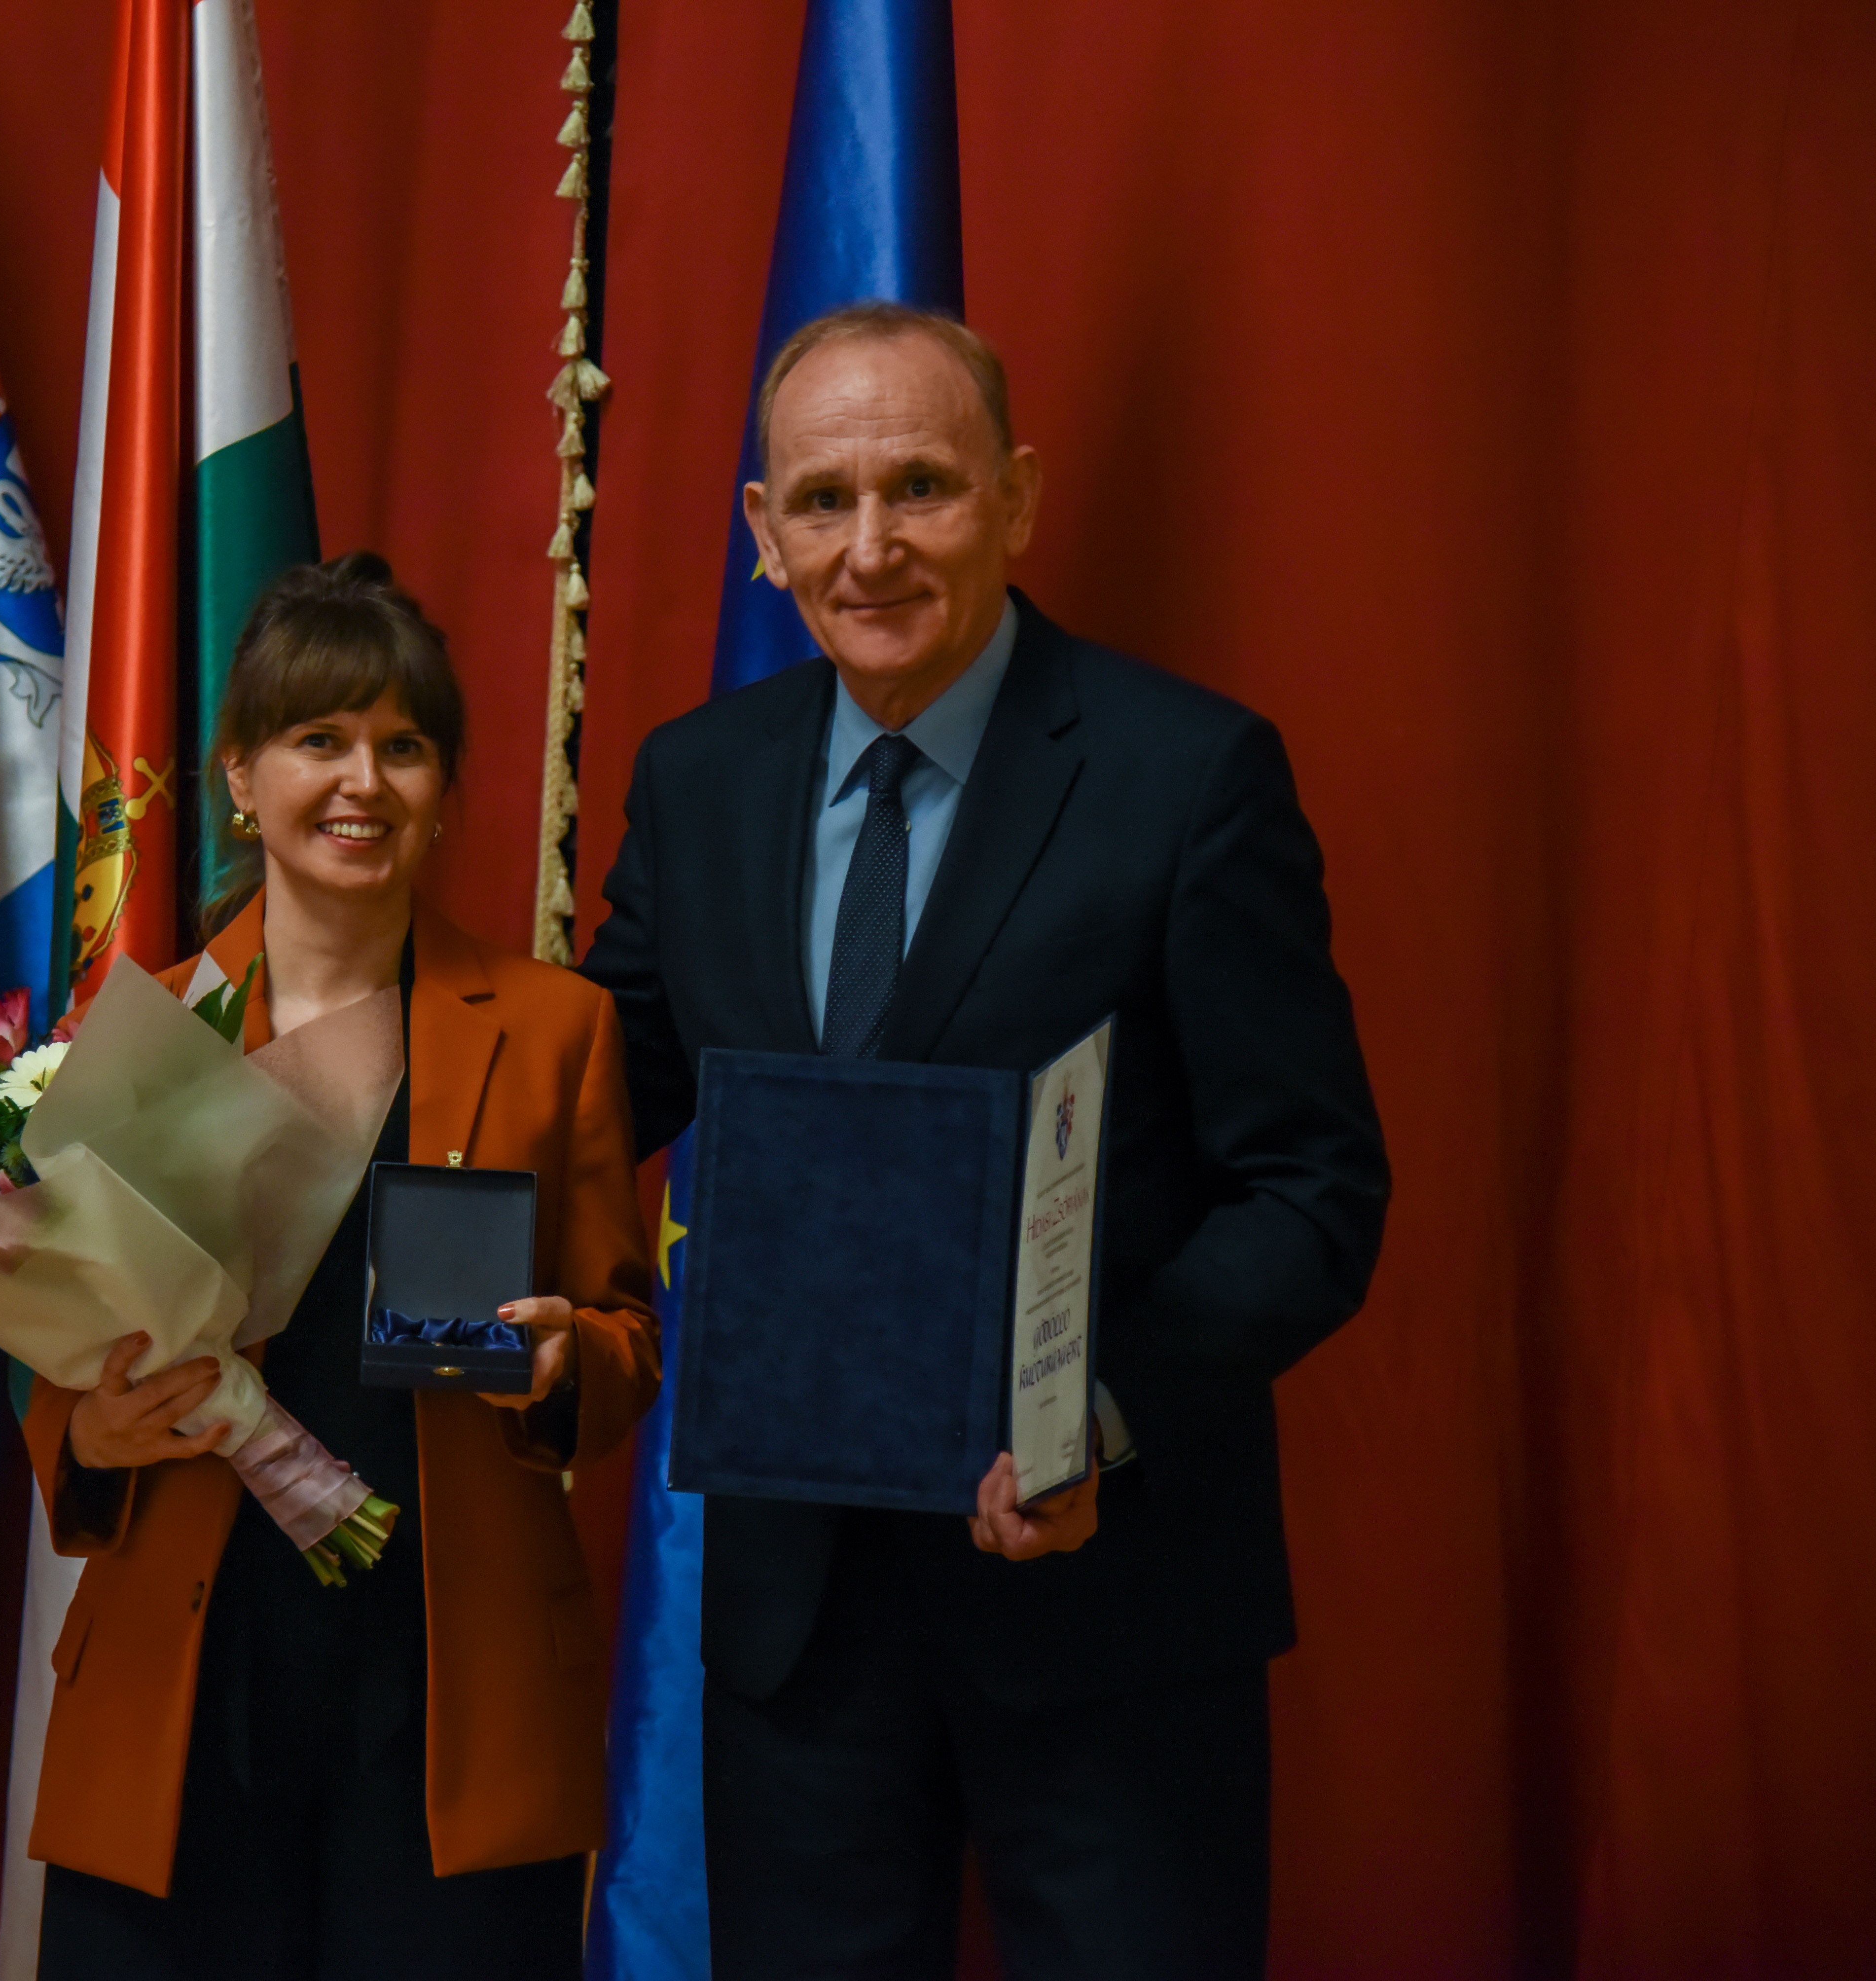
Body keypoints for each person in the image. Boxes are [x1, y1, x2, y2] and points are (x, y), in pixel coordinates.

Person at [579, 301, 1391, 1978]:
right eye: (823, 501)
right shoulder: (697, 781)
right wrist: (298, 1091)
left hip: (1112, 1607)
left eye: (922, 488)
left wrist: (1100, 1416)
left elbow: (1311, 1192)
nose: (868, 548)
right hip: (801, 1624)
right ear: (763, 532)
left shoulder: (1190, 775)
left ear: (1017, 497)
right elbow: (593, 1100)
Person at [23, 551, 661, 1981]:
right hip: (188, 1678)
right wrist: (92, 1432)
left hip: (452, 1688)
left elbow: (626, 1335)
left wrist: (568, 1361)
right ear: (241, 779)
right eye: (320, 740)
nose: (363, 782)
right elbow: (54, 1349)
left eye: (404, 746)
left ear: (442, 785)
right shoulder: (146, 1027)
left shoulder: (556, 1028)